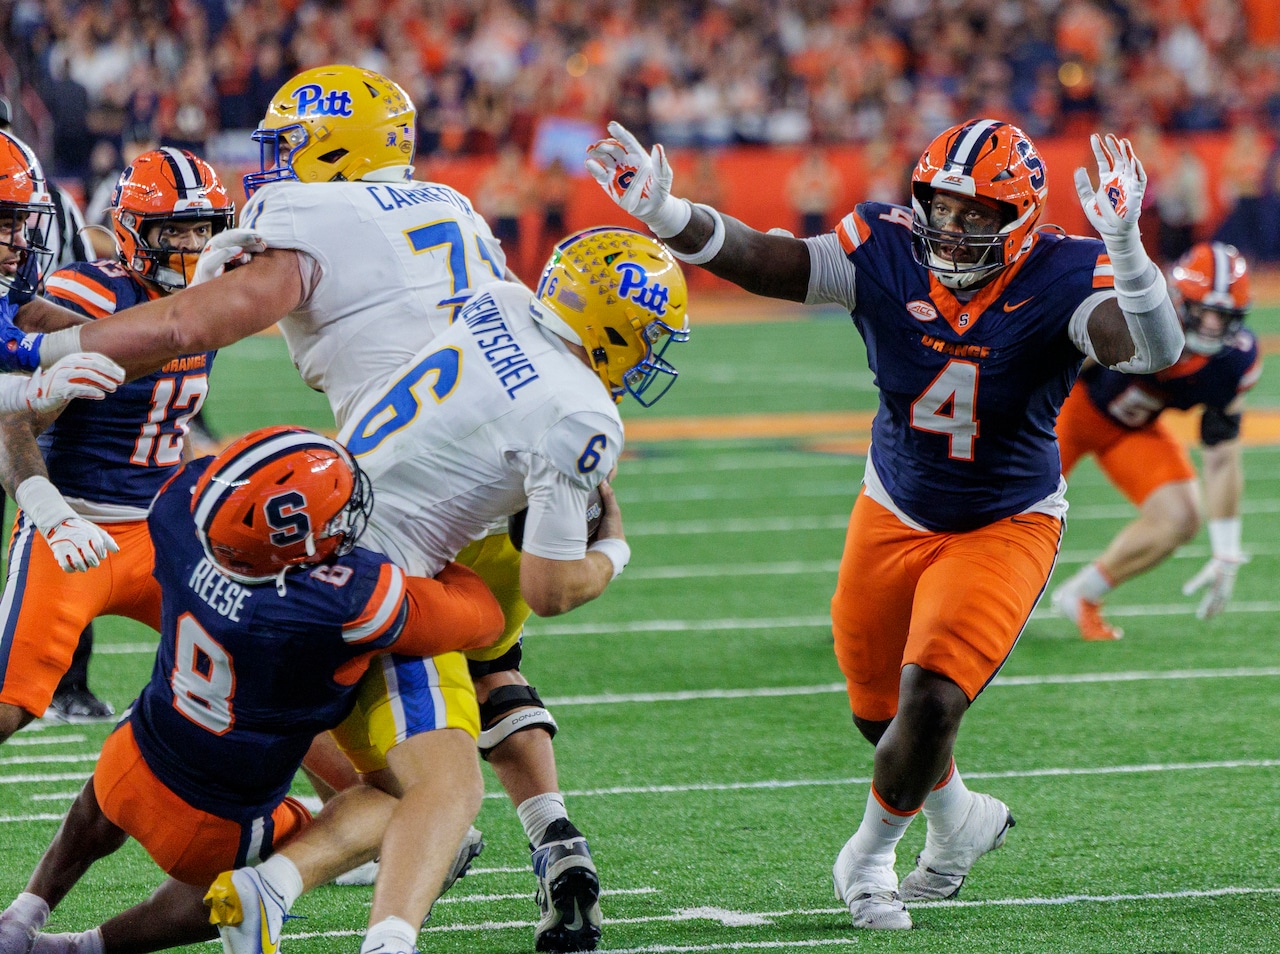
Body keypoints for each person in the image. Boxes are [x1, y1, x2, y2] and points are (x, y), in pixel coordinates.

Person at [5, 66, 687, 954]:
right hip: (440, 519)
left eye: (290, 145)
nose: (276, 166)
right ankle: (440, 867)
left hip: (363, 508)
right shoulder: (460, 218)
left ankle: (273, 893)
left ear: (336, 145)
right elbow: (549, 576)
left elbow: (193, 325)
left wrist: (32, 348)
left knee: (414, 742)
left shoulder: (332, 226)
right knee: (470, 696)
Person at [585, 119, 1183, 930]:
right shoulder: (882, 243)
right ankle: (961, 820)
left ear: (1020, 218)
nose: (954, 228)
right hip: (894, 502)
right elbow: (769, 258)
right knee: (876, 713)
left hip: (1004, 520)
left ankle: (867, 859)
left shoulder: (1070, 271)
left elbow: (1151, 350)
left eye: (977, 214)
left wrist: (1131, 251)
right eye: (941, 206)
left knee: (932, 698)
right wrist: (668, 213)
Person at [0, 426, 504, 954]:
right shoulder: (341, 599)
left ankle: (21, 917)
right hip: (222, 826)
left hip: (132, 759)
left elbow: (209, 473)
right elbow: (483, 618)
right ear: (295, 544)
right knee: (395, 798)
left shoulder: (173, 513)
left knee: (108, 791)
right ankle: (84, 948)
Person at [0, 144, 234, 748]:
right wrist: (51, 516)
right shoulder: (94, 295)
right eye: (174, 232)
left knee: (267, 674)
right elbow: (14, 421)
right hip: (75, 528)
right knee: (9, 706)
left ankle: (375, 818)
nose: (189, 248)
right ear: (136, 231)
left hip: (159, 534)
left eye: (201, 231)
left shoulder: (207, 303)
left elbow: (161, 419)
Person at [1052, 241, 1261, 639]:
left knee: (1181, 518)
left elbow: (1221, 456)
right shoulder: (1139, 310)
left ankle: (1082, 595)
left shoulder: (1233, 360)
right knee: (1004, 504)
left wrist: (1226, 549)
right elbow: (1068, 361)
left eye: (1224, 315)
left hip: (1133, 428)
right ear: (1180, 299)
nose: (1213, 326)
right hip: (1069, 413)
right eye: (1205, 311)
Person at [0, 104, 108, 721]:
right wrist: (45, 377)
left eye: (20, 222)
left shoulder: (36, 200)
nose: (20, 240)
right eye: (6, 223)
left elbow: (27, 317)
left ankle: (65, 680)